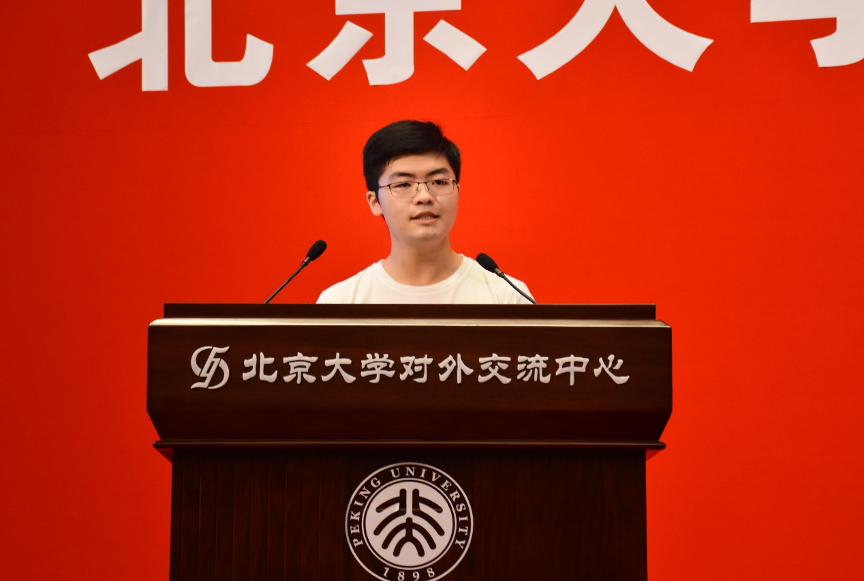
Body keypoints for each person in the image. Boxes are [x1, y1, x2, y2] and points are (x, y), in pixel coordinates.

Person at [317, 120, 533, 304]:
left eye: (439, 182)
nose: (424, 196)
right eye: (403, 184)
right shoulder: (341, 302)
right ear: (375, 202)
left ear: (457, 193)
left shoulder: (507, 297)